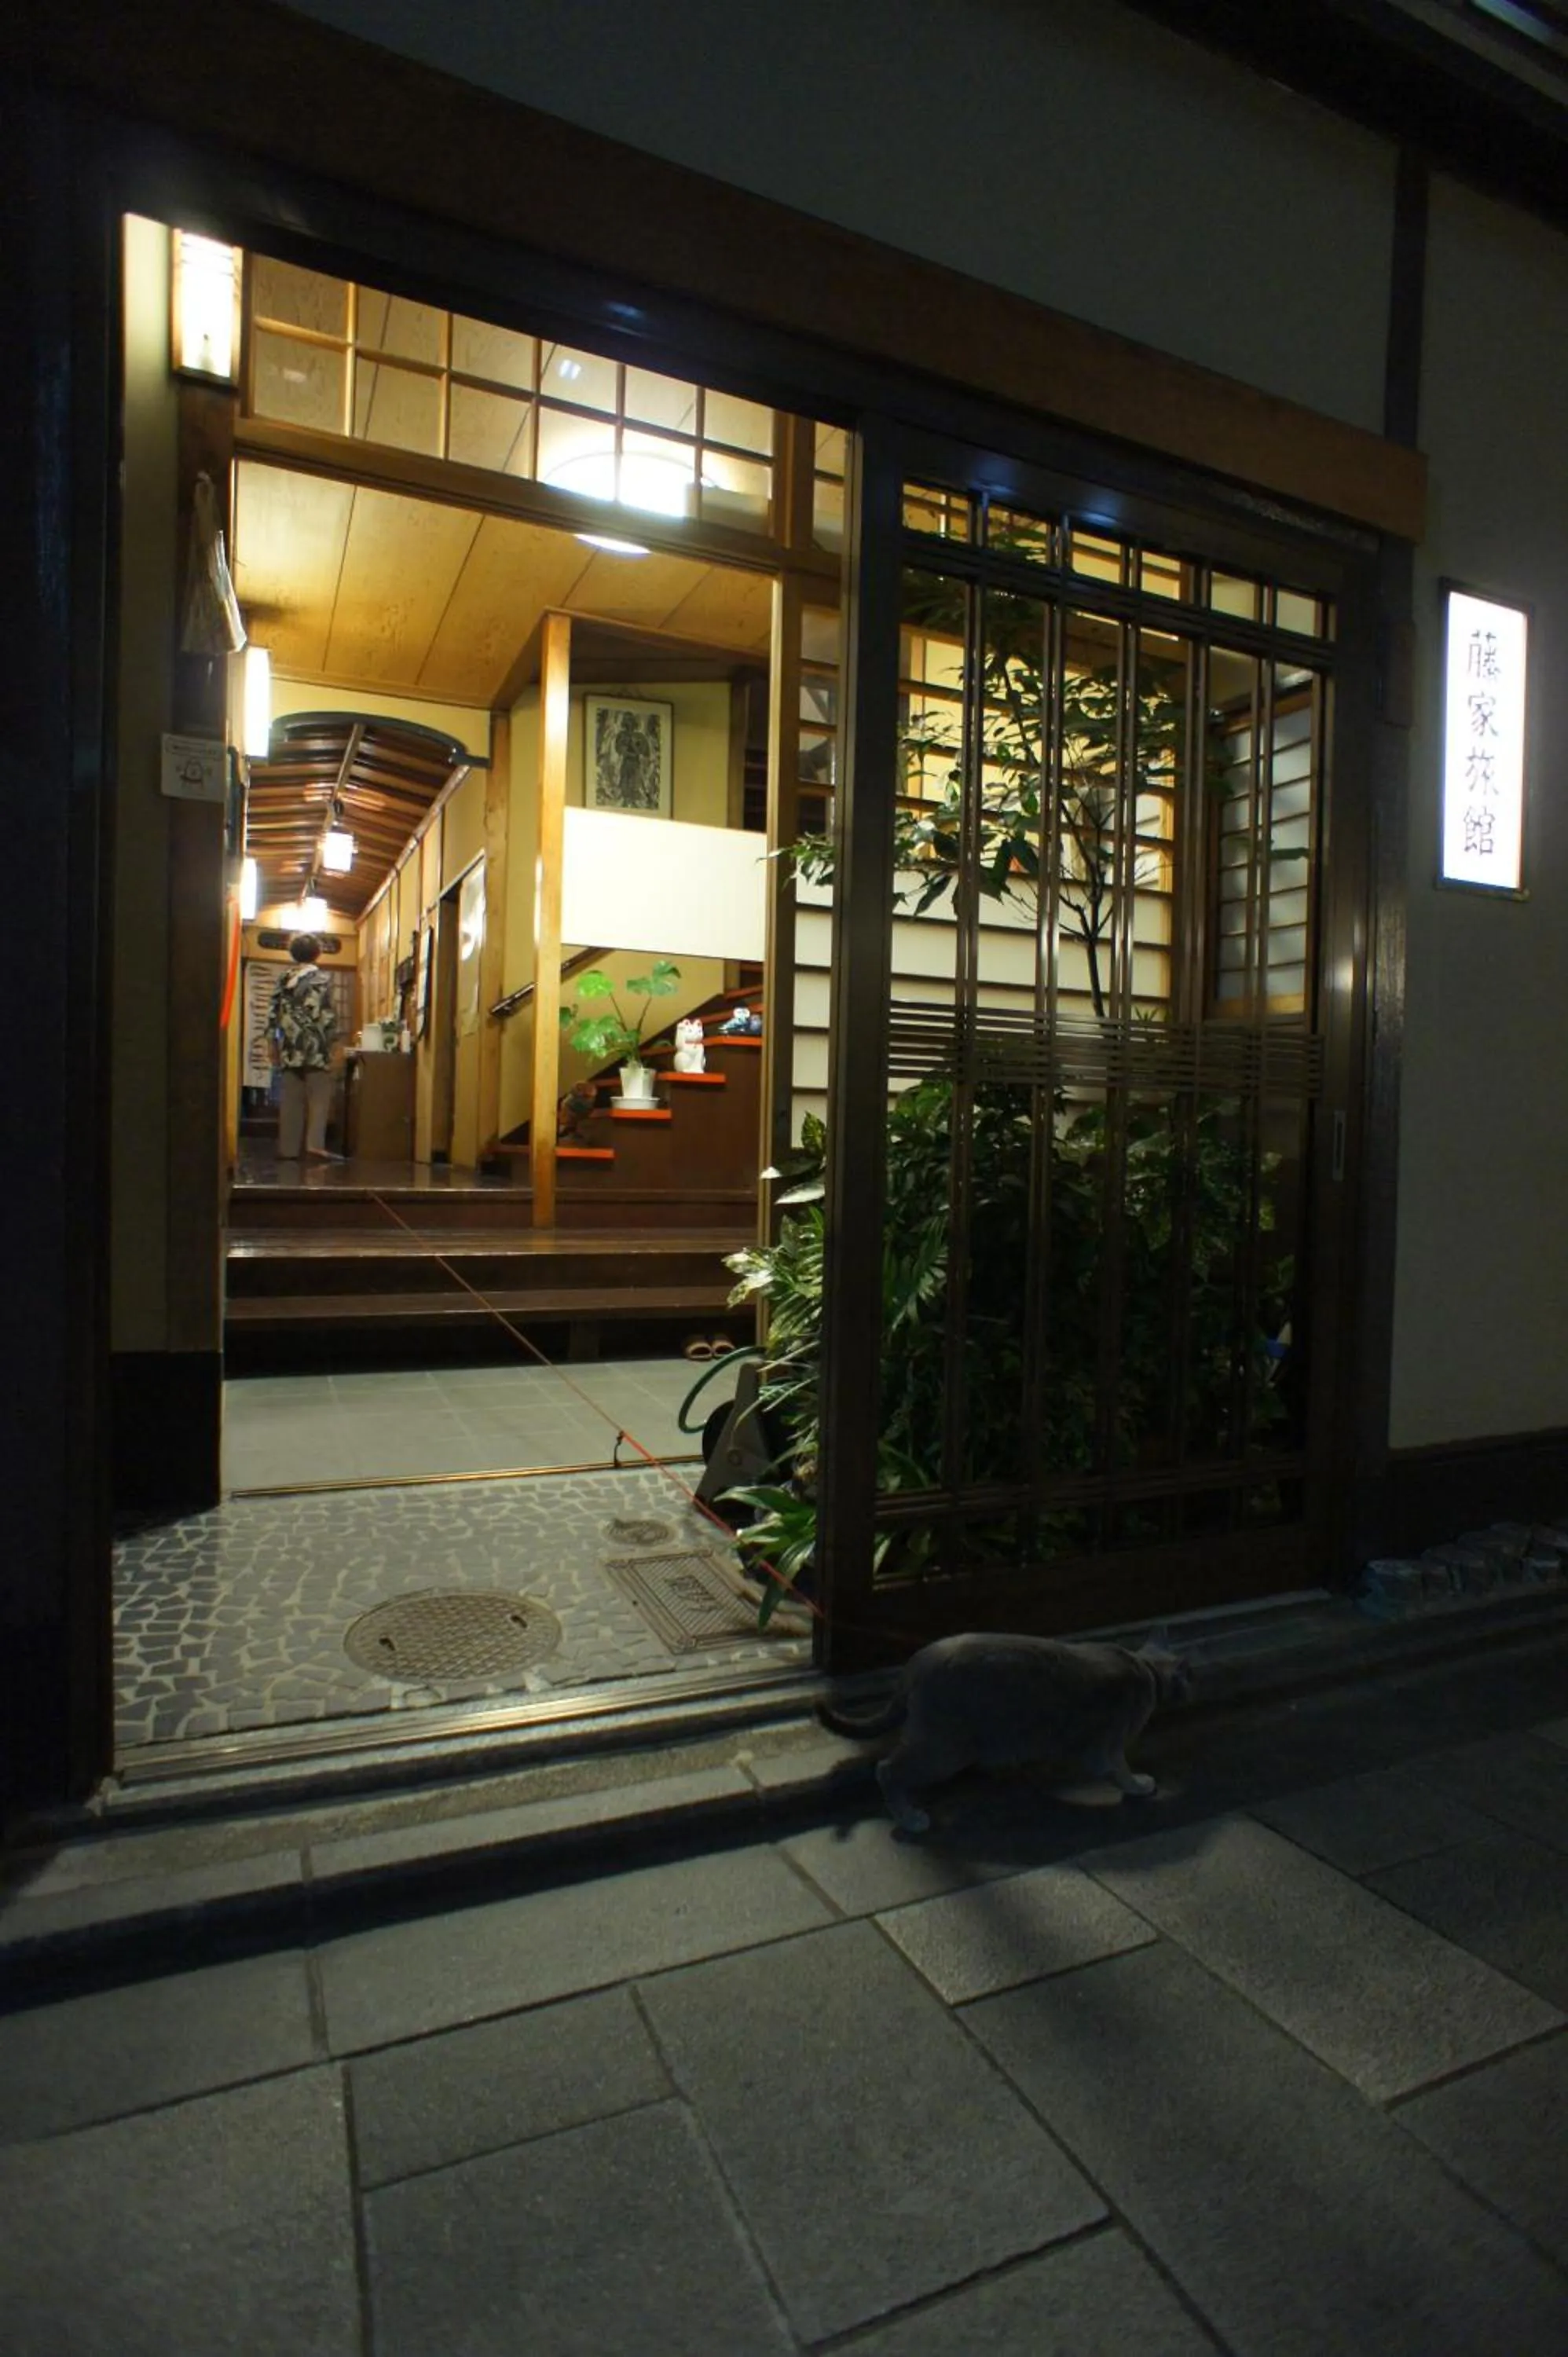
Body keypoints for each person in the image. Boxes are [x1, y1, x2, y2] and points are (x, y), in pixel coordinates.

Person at [267, 933, 341, 1161]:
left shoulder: (283, 979)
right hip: (316, 1046)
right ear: (318, 953)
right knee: (319, 1097)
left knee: (291, 1099)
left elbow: (272, 1014)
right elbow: (329, 1016)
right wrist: (333, 1045)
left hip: (290, 1045)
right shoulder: (323, 979)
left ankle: (288, 1149)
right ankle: (314, 1145)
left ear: (293, 954)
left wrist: (272, 1044)